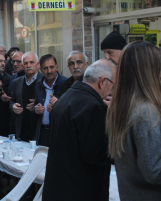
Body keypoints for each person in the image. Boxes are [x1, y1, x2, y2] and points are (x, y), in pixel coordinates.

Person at [43, 60, 116, 201]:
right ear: (102, 82)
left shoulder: (67, 96)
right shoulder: (93, 106)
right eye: (113, 84)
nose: (112, 90)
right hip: (80, 188)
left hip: (60, 185)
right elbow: (95, 154)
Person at [107, 41, 161, 200]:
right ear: (150, 69)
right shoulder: (145, 111)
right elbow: (154, 170)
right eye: (159, 64)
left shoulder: (121, 106)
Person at [34, 54, 67, 146]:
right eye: (45, 68)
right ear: (41, 70)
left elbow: (72, 109)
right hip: (42, 132)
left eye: (51, 67)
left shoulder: (65, 83)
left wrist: (58, 105)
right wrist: (35, 109)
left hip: (59, 132)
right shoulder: (38, 84)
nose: (49, 71)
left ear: (57, 67)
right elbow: (36, 103)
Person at [10, 52, 42, 141]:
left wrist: (36, 107)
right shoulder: (16, 82)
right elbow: (12, 101)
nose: (29, 65)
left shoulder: (44, 80)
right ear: (23, 66)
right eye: (25, 63)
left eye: (31, 62)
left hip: (40, 130)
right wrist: (13, 106)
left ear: (38, 64)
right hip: (22, 130)